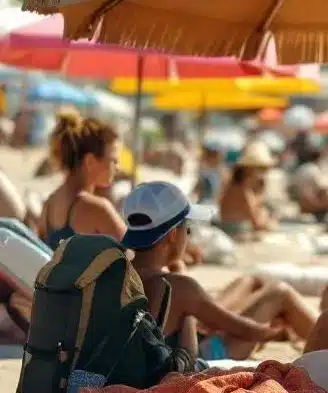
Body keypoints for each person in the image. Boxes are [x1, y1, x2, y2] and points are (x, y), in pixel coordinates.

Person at [122, 182, 291, 364]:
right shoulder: (181, 287)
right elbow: (242, 329)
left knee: (252, 283)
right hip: (192, 361)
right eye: (188, 230)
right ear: (172, 235)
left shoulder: (119, 271)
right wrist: (274, 333)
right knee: (280, 293)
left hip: (135, 364)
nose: (188, 238)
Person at [38, 110, 125, 249]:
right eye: (113, 160)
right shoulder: (97, 209)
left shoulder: (49, 204)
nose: (118, 168)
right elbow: (136, 259)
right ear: (90, 161)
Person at [218, 142, 278, 238]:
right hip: (235, 235)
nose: (264, 174)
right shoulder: (241, 190)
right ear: (248, 169)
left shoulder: (238, 186)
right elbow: (258, 223)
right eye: (261, 169)